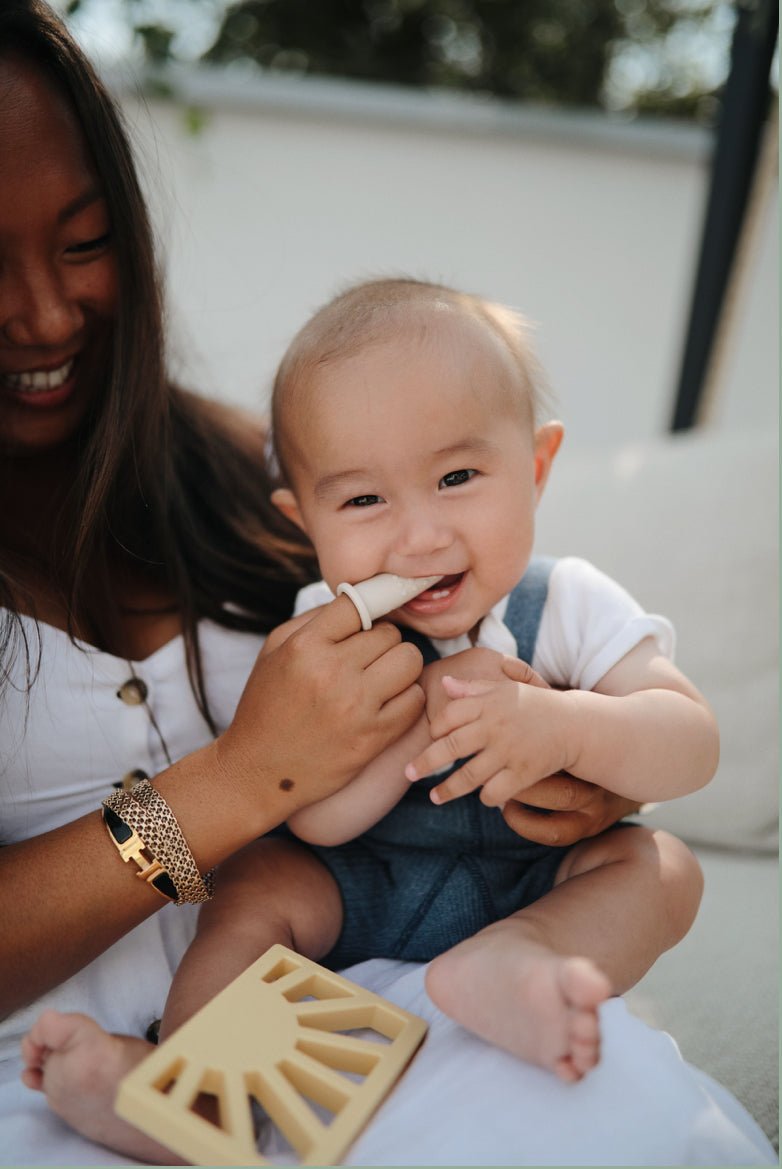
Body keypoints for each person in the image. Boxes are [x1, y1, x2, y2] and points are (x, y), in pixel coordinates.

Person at [4, 2, 736, 1164]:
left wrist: (572, 744)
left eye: (85, 242)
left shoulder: (546, 592)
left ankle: (522, 962)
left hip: (477, 940)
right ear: (312, 515)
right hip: (287, 946)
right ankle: (182, 1083)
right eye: (363, 503)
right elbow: (311, 810)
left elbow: (684, 744)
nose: (415, 534)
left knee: (658, 872)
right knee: (260, 884)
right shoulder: (326, 596)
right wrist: (264, 771)